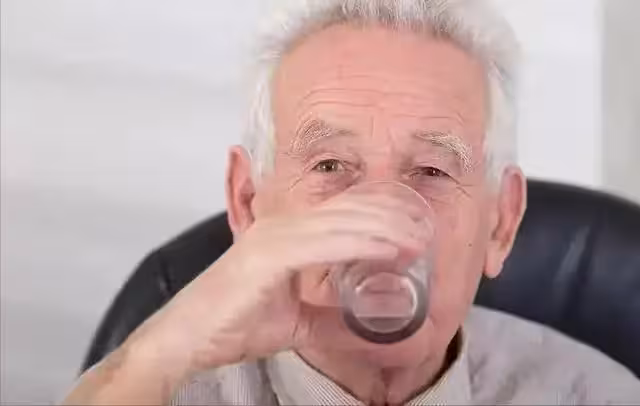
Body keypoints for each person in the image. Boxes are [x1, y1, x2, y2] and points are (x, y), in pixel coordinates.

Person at [64, 0, 640, 404]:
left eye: (432, 170)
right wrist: (159, 357)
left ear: (501, 223)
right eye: (331, 166)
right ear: (247, 201)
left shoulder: (596, 395)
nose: (381, 230)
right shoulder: (156, 392)